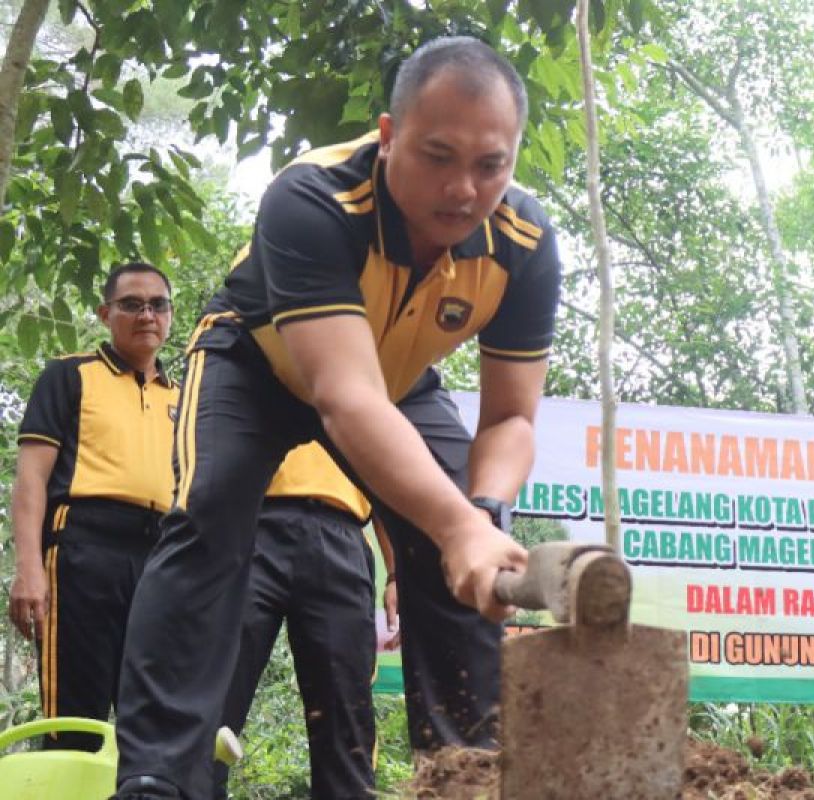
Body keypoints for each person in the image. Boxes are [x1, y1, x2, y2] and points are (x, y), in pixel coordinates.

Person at [114, 35, 561, 800]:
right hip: (258, 360)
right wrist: (458, 527)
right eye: (438, 155)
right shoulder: (313, 198)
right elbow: (345, 396)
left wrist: (481, 518)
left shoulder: (524, 243)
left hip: (396, 380)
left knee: (458, 543)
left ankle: (467, 776)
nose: (463, 189)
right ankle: (159, 775)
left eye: (491, 165)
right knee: (212, 508)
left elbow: (511, 420)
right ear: (388, 139)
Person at [7, 262, 176, 752]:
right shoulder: (69, 376)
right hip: (82, 550)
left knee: (154, 718)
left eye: (157, 304)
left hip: (160, 559)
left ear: (169, 314)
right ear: (105, 314)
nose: (146, 314)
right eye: (131, 304)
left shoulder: (184, 400)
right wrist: (29, 569)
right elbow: (32, 478)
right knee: (75, 718)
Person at [212, 442, 394, 800]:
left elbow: (385, 477)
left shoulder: (376, 388)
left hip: (342, 529)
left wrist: (397, 572)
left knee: (346, 714)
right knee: (213, 696)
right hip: (251, 523)